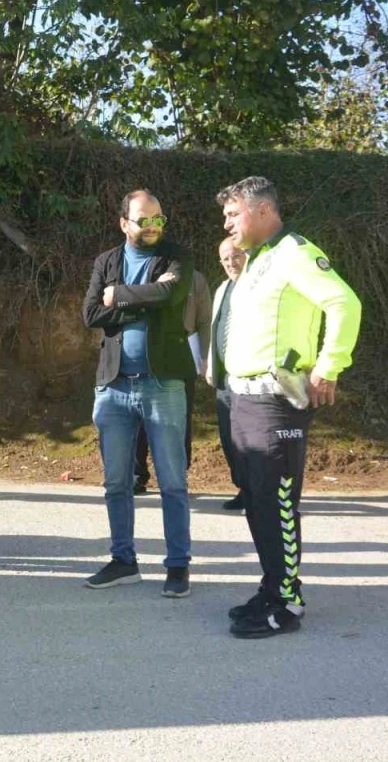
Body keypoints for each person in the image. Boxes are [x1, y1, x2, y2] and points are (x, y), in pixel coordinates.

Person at [216, 176, 361, 639]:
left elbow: (344, 303)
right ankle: (273, 586)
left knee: (277, 504)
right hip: (242, 399)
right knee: (256, 502)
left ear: (262, 210)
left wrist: (329, 366)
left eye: (233, 214)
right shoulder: (258, 261)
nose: (227, 223)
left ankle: (287, 605)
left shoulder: (295, 253)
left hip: (274, 403)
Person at [81, 190, 195, 598]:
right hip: (113, 385)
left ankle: (178, 566)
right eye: (144, 220)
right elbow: (91, 314)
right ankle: (123, 561)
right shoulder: (107, 261)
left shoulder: (176, 256)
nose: (153, 226)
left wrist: (120, 295)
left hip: (162, 384)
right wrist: (145, 299)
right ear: (123, 223)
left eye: (158, 219)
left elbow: (171, 295)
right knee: (116, 483)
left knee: (172, 482)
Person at [132, 268, 211, 494]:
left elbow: (205, 320)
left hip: (182, 352)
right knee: (139, 415)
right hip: (145, 352)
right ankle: (136, 475)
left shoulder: (195, 278)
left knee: (178, 418)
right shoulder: (141, 271)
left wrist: (205, 356)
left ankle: (176, 476)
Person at [207, 238, 248, 512]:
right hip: (224, 379)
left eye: (236, 256)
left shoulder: (257, 286)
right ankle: (244, 489)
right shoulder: (223, 288)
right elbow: (216, 327)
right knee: (229, 437)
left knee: (248, 439)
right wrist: (212, 366)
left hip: (247, 378)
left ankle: (257, 492)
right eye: (225, 259)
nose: (231, 263)